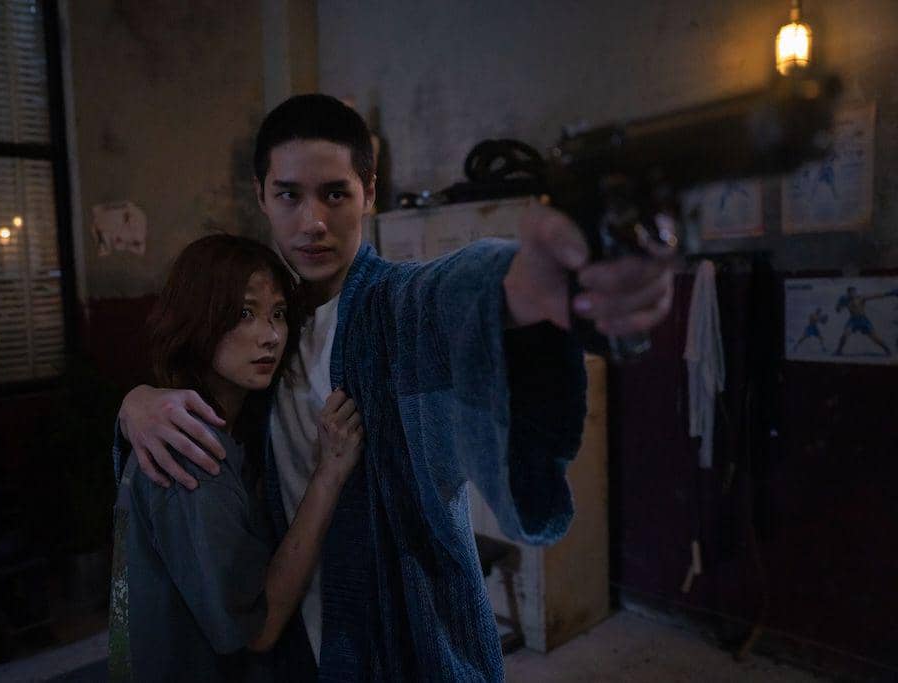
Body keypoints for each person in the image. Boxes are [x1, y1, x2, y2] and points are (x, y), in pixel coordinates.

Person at [115, 94, 675, 680]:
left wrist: (526, 283)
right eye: (289, 195)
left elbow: (446, 292)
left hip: (406, 647)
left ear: (369, 192)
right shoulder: (273, 328)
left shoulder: (393, 307)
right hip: (300, 651)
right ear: (260, 195)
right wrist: (136, 404)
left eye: (336, 194)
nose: (313, 222)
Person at [108, 234, 364, 681]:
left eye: (278, 314)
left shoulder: (233, 424)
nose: (270, 336)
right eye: (245, 313)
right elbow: (257, 630)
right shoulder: (191, 452)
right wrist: (329, 474)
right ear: (199, 319)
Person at [833, 286, 892, 356]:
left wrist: (888, 293)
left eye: (854, 292)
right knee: (845, 335)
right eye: (851, 292)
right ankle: (839, 351)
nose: (853, 294)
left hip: (863, 320)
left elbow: (874, 296)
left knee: (875, 337)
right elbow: (838, 310)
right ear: (848, 293)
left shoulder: (860, 298)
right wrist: (839, 304)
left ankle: (887, 349)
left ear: (855, 292)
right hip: (853, 320)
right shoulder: (846, 300)